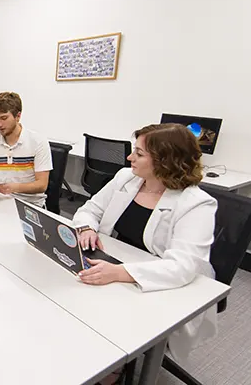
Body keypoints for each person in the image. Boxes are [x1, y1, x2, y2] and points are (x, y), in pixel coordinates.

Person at [72, 123, 217, 376]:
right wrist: (86, 229)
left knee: (101, 321)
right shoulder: (126, 178)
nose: (129, 157)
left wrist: (119, 273)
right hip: (116, 261)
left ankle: (111, 371)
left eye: (139, 153)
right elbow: (90, 209)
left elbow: (181, 267)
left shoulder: (196, 204)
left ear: (165, 161)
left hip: (160, 281)